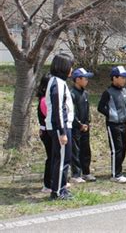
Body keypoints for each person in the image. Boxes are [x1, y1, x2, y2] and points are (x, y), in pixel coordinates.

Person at [45, 53, 75, 200]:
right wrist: (62, 131)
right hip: (59, 127)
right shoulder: (57, 83)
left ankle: (61, 187)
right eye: (70, 66)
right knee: (62, 159)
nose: (72, 69)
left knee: (64, 158)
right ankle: (57, 192)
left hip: (61, 126)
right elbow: (58, 109)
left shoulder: (58, 82)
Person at [98, 66, 126, 183]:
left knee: (123, 148)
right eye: (122, 77)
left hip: (123, 123)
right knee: (116, 149)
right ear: (114, 78)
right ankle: (115, 174)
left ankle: (119, 170)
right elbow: (100, 107)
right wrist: (112, 115)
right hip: (113, 124)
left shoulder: (124, 91)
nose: (124, 80)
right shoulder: (108, 92)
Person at [70, 68, 96, 183]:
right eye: (85, 78)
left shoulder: (85, 93)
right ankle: (76, 174)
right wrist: (79, 124)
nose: (87, 81)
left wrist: (87, 122)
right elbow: (72, 112)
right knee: (75, 150)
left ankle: (86, 172)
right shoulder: (72, 94)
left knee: (86, 150)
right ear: (77, 79)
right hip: (75, 127)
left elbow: (87, 109)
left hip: (86, 126)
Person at [37, 73, 52, 193]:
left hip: (48, 132)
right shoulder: (44, 101)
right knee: (51, 157)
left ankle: (52, 182)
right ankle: (47, 184)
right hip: (47, 132)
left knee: (53, 157)